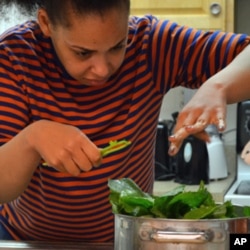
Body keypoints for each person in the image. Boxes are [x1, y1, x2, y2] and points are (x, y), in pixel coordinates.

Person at [0, 0, 250, 243]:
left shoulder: (150, 45)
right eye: (83, 53)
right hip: (27, 240)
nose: (102, 69)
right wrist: (31, 139)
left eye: (118, 46)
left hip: (130, 239)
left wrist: (218, 87)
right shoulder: (14, 57)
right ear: (46, 23)